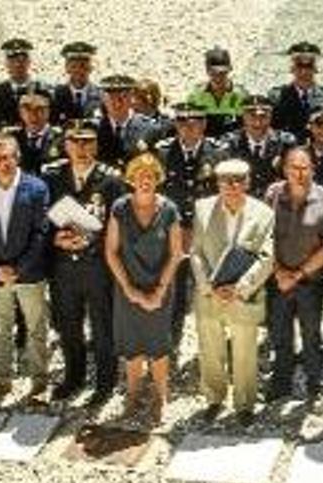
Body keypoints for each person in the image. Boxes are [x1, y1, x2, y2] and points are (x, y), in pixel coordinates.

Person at [43, 119, 124, 404]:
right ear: (65, 145)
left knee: (103, 326)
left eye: (88, 141)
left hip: (98, 266)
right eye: (75, 141)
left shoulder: (112, 179)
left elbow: (118, 226)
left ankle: (105, 382)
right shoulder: (52, 177)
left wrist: (92, 241)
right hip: (64, 265)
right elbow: (44, 220)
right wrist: (56, 240)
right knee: (68, 325)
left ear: (97, 144)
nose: (81, 148)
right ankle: (73, 377)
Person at [190, 158, 275, 426]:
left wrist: (240, 287)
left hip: (244, 293)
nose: (233, 185)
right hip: (209, 293)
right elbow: (196, 252)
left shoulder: (264, 213)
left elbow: (267, 256)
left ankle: (245, 403)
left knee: (245, 350)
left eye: (239, 179)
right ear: (218, 183)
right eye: (226, 180)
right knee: (210, 348)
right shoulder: (202, 209)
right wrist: (207, 285)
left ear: (248, 182)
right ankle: (214, 398)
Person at [105, 152, 183, 423]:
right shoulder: (119, 208)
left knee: (158, 346)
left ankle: (161, 398)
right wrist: (128, 289)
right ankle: (133, 396)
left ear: (157, 179)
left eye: (150, 176)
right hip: (128, 287)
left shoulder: (170, 209)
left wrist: (160, 290)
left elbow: (176, 253)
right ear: (131, 180)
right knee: (131, 347)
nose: (145, 181)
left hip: (160, 287)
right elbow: (111, 251)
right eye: (140, 176)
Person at [0, 134, 51, 402]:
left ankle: (39, 381)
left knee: (36, 328)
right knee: (0, 328)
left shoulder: (37, 188)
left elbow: (41, 232)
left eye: (8, 157)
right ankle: (1, 379)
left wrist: (18, 268)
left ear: (17, 158)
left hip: (29, 272)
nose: (4, 163)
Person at [264, 147, 323, 411]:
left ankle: (314, 389)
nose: (299, 173)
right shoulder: (272, 194)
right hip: (278, 279)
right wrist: (279, 272)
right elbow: (263, 237)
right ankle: (280, 384)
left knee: (311, 337)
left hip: (310, 282)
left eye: (305, 167)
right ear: (285, 169)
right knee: (280, 335)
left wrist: (298, 274)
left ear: (313, 169)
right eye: (294, 167)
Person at [157, 102, 228, 342]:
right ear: (175, 125)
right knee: (173, 289)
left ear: (204, 125)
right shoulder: (162, 153)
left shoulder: (219, 153)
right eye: (182, 122)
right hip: (173, 232)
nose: (189, 128)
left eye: (195, 122)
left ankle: (211, 343)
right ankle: (171, 339)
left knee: (207, 287)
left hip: (206, 232)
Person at [220, 94, 297, 197]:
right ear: (243, 116)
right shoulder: (230, 143)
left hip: (276, 202)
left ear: (271, 116)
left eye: (263, 116)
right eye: (252, 116)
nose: (258, 122)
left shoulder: (285, 143)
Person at [268, 41, 323, 143]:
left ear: (315, 69)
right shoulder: (277, 95)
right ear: (292, 68)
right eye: (299, 66)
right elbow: (269, 128)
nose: (304, 72)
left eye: (308, 67)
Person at [0, 38, 50, 131]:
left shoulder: (42, 90)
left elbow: (49, 125)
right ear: (6, 64)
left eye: (22, 61)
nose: (17, 65)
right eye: (12, 61)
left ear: (28, 62)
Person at [96, 74, 160, 170]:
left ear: (132, 99)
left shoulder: (149, 128)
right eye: (111, 98)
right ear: (104, 100)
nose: (117, 104)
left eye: (123, 97)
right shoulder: (93, 129)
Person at [186, 46, 248, 138]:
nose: (218, 78)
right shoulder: (196, 96)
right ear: (207, 71)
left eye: (222, 73)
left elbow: (246, 127)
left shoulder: (241, 95)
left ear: (229, 70)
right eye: (213, 73)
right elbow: (190, 126)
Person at [12, 87, 64, 175]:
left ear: (49, 110)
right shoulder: (11, 139)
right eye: (27, 108)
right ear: (20, 111)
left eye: (39, 109)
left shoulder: (62, 139)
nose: (33, 114)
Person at [50, 41, 103, 125]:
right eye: (74, 66)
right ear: (67, 68)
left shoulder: (101, 95)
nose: (79, 71)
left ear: (91, 68)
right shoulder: (55, 95)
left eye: (83, 66)